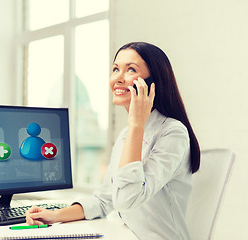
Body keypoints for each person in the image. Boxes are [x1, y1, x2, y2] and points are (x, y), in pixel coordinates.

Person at [25, 42, 200, 240]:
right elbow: (105, 198)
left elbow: (127, 199)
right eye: (115, 69)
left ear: (153, 83)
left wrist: (136, 125)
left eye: (131, 69)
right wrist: (55, 215)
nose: (117, 78)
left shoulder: (173, 133)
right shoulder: (126, 135)